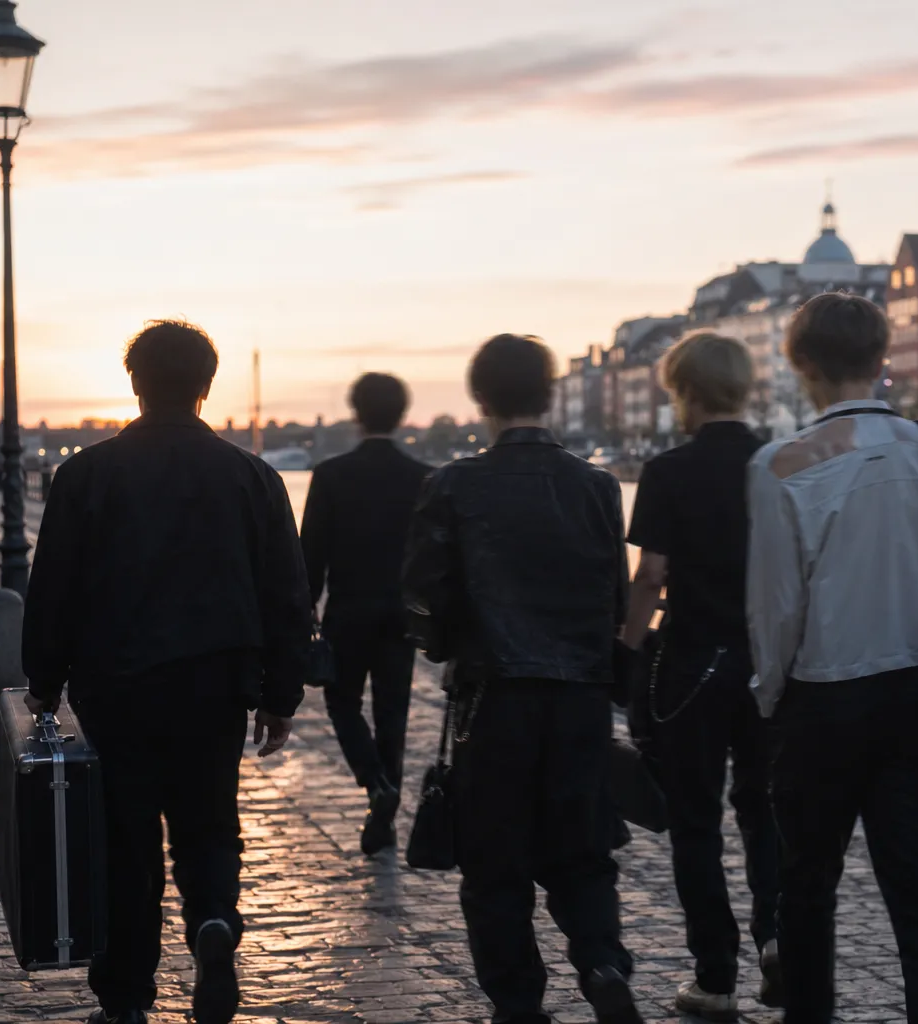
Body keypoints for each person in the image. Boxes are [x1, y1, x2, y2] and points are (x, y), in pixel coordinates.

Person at [22, 320, 311, 1024]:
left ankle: (125, 999)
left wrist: (44, 681)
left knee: (125, 843)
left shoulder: (85, 475)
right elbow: (286, 597)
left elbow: (53, 585)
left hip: (116, 685)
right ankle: (213, 921)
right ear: (207, 387)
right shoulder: (254, 477)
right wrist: (282, 695)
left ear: (135, 384)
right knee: (210, 823)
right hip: (215, 684)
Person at [748, 293, 918, 1024]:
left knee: (807, 893)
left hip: (820, 704)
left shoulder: (784, 463)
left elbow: (776, 611)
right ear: (883, 359)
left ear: (801, 367)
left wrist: (768, 700)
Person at [403, 334, 643, 1024]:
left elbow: (423, 599)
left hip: (494, 699)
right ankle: (600, 962)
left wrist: (443, 643)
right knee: (584, 847)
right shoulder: (597, 488)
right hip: (580, 700)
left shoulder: (451, 486)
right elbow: (616, 602)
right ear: (550, 394)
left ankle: (518, 1005)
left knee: (495, 865)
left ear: (481, 400)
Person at [622, 334, 779, 1021]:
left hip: (691, 666)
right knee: (764, 809)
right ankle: (777, 936)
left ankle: (716, 977)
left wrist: (628, 651)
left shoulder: (668, 470)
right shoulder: (780, 466)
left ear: (682, 390)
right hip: (769, 666)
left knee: (695, 823)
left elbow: (652, 575)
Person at [301, 372, 433, 855]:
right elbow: (431, 556)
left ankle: (375, 783)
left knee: (342, 704)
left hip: (348, 612)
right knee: (393, 713)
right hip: (401, 615)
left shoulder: (332, 475)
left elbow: (310, 554)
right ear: (401, 415)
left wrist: (306, 612)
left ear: (356, 413)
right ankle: (385, 821)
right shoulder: (423, 477)